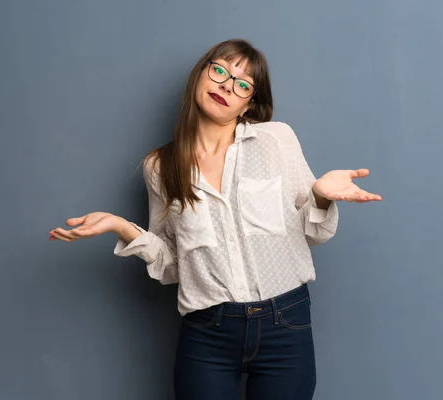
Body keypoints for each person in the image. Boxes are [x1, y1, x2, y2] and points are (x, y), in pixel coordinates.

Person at [48, 39, 381, 400]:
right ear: (201, 74)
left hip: (285, 323)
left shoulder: (276, 140)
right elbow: (175, 265)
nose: (226, 85)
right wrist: (121, 226)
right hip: (208, 331)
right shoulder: (159, 167)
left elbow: (313, 234)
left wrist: (319, 194)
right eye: (220, 70)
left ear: (249, 104)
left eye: (242, 84)